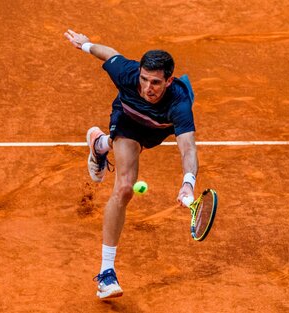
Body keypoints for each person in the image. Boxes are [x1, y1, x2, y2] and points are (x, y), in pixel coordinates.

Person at [64, 29, 198, 299]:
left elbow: (188, 148)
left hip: (157, 129)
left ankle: (99, 144)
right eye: (144, 79)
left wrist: (188, 183)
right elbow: (110, 54)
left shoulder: (180, 103)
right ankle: (106, 274)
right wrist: (86, 44)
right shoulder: (126, 73)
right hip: (127, 120)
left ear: (169, 81)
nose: (148, 88)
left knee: (125, 150)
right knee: (124, 187)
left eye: (156, 83)